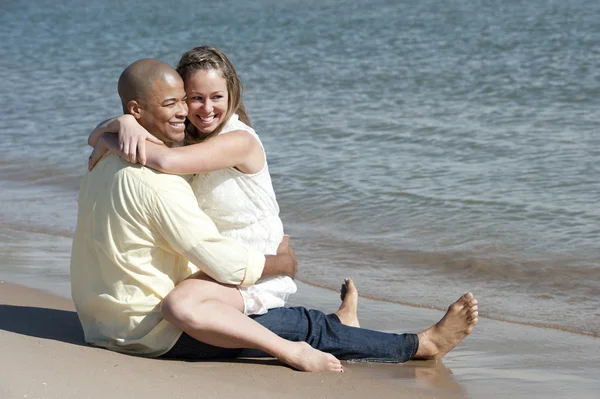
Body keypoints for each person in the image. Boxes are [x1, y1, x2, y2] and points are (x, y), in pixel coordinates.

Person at [72, 58, 479, 373]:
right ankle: (419, 345)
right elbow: (227, 265)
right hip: (152, 333)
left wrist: (114, 128)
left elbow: (145, 147)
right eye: (176, 102)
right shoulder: (156, 179)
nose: (186, 111)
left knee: (232, 319)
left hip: (102, 327)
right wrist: (283, 263)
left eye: (185, 100)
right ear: (139, 109)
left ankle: (342, 324)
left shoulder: (102, 161)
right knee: (298, 326)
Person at [88, 46, 299, 318]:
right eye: (196, 98)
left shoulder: (240, 141)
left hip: (255, 268)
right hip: (211, 261)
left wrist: (110, 138)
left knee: (187, 316)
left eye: (217, 97)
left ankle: (334, 324)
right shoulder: (185, 135)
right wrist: (124, 122)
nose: (207, 108)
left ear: (231, 95)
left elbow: (166, 162)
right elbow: (92, 137)